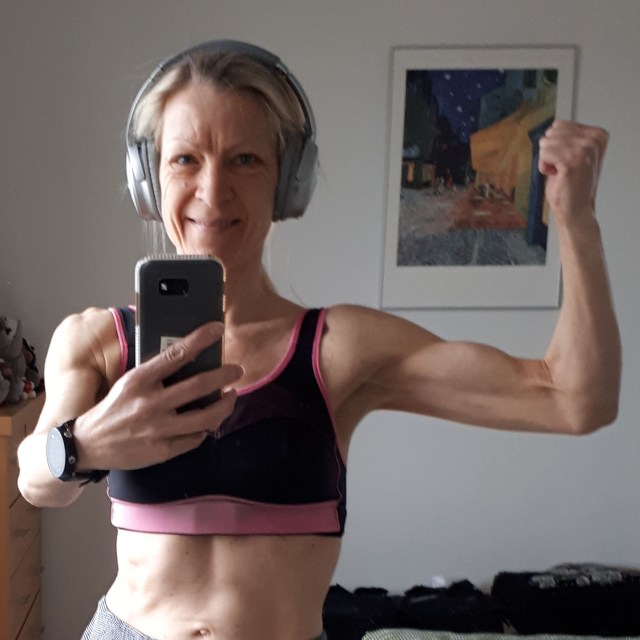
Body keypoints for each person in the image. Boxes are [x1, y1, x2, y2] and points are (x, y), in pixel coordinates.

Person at [17, 40, 621, 640]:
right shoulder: (98, 340)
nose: (213, 190)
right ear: (149, 179)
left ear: (288, 183)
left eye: (245, 160)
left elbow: (573, 401)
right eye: (185, 159)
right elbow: (33, 481)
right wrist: (82, 444)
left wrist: (577, 221)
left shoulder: (339, 349)